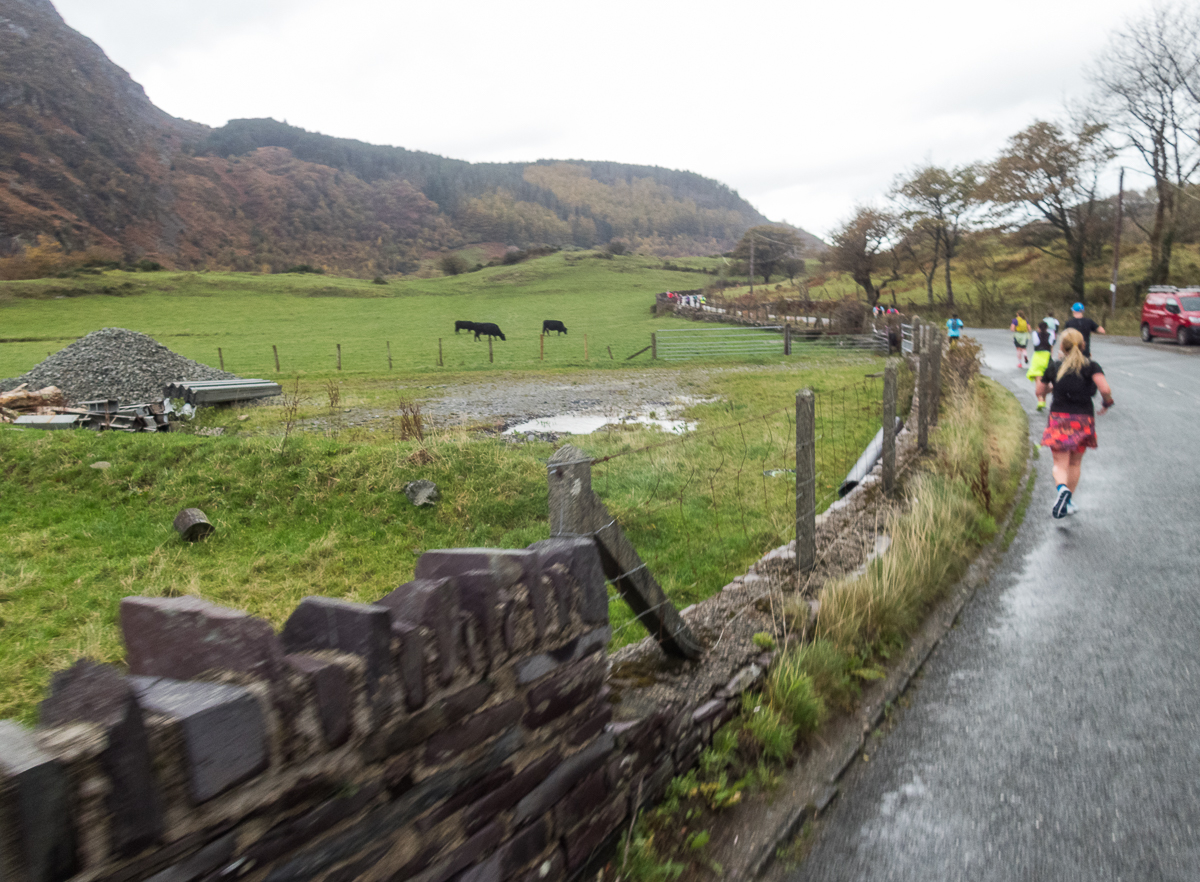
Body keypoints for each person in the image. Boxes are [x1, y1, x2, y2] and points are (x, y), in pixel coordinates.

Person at [1035, 328, 1114, 518]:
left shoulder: (1054, 366)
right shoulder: (1091, 366)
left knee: (1059, 464)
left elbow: (1040, 390)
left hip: (1059, 419)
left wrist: (1050, 386)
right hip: (1083, 420)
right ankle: (1068, 501)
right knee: (1075, 463)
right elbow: (1104, 388)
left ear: (1062, 346)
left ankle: (1061, 490)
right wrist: (1107, 402)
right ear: (1083, 345)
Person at [1027, 321, 1054, 410]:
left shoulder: (1035, 334)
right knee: (1046, 380)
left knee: (1039, 379)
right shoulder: (1051, 335)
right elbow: (1051, 347)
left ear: (1038, 328)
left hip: (1038, 357)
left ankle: (1040, 399)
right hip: (1047, 356)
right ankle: (1044, 400)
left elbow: (1035, 344)